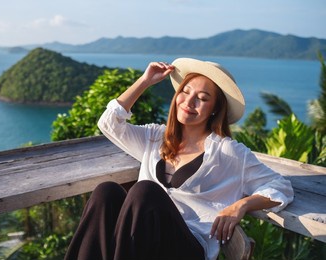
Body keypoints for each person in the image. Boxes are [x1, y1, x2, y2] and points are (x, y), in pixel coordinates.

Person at [64, 58, 294, 260]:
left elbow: (280, 186)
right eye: (185, 92)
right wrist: (144, 81)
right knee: (107, 192)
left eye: (202, 98)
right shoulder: (155, 137)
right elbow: (109, 123)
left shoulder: (229, 153)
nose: (189, 102)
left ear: (214, 109)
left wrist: (241, 205)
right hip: (144, 243)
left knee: (145, 192)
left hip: (188, 247)